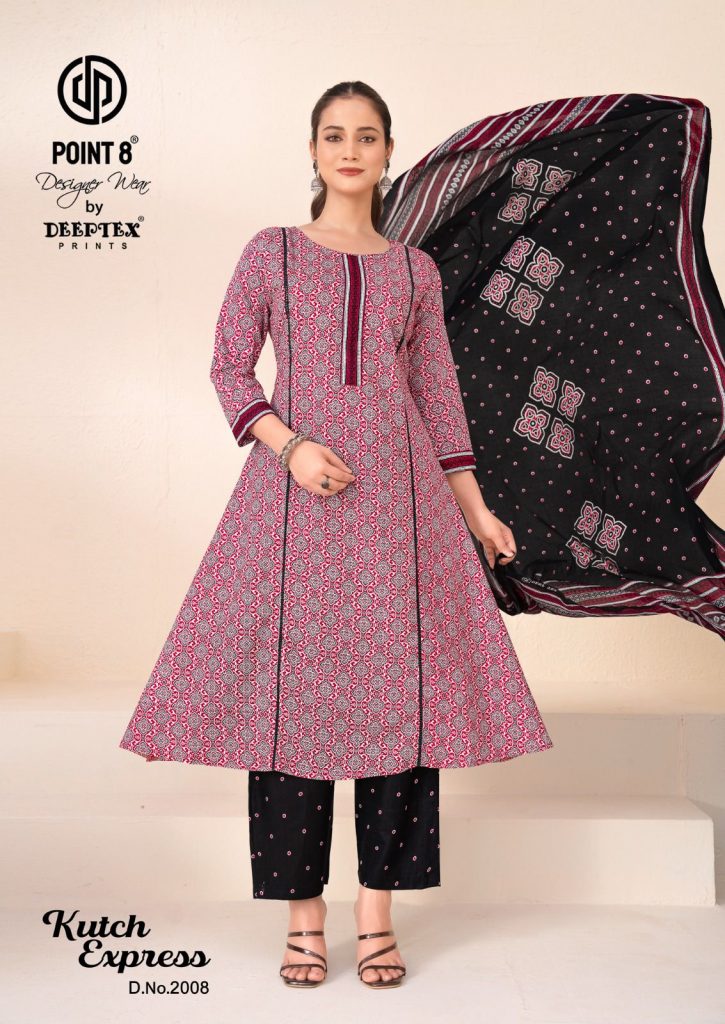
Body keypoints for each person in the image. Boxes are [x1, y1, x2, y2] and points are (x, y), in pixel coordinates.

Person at [119, 80, 553, 988]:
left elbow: (437, 394)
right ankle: (303, 918)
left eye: (365, 136)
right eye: (333, 135)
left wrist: (475, 510)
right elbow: (228, 367)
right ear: (313, 151)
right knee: (292, 702)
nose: (349, 150)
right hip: (295, 505)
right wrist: (290, 447)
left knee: (405, 700)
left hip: (402, 509)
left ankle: (377, 914)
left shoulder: (414, 272)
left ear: (388, 152)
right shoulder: (271, 252)